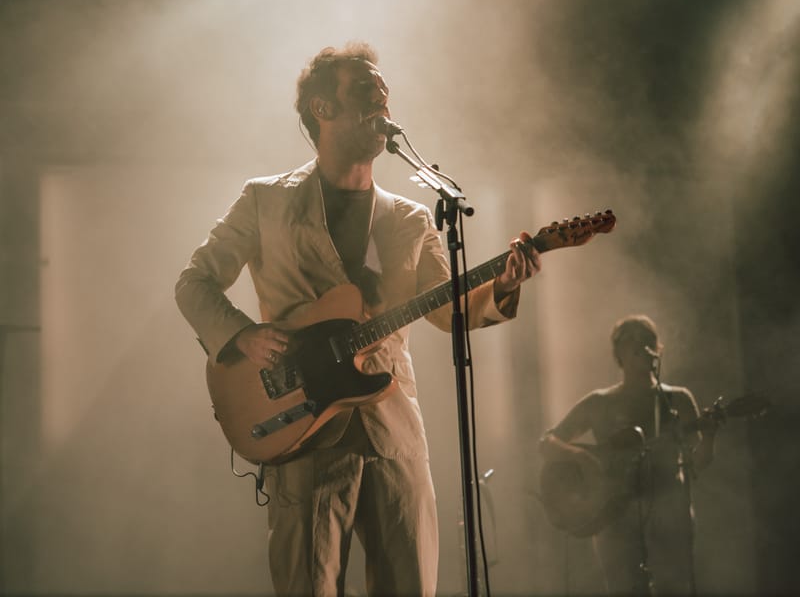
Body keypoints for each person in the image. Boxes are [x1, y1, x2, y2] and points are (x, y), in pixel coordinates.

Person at [175, 42, 542, 597]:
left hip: (393, 431)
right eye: (367, 92)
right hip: (302, 424)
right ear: (322, 109)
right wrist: (244, 336)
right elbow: (194, 283)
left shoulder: (412, 217)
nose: (383, 102)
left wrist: (503, 286)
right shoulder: (264, 201)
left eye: (385, 93)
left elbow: (448, 310)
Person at [539, 315, 716, 596]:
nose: (640, 346)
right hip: (613, 513)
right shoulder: (599, 402)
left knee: (674, 587)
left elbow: (698, 462)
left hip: (669, 510)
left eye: (647, 340)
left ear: (657, 349)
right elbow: (547, 443)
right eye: (632, 340)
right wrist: (580, 457)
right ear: (618, 352)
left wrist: (709, 436)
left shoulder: (677, 399)